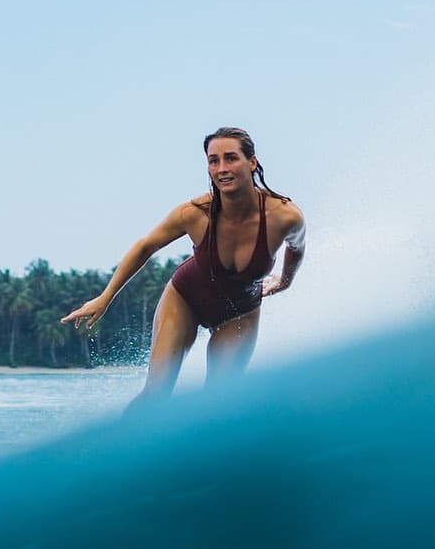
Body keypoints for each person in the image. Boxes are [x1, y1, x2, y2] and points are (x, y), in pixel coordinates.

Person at [61, 127, 306, 400]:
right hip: (186, 299)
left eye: (231, 158)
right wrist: (105, 297)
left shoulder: (284, 216)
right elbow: (146, 245)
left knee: (219, 399)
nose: (222, 168)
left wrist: (284, 281)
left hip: (241, 312)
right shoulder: (195, 213)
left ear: (252, 161)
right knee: (156, 393)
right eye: (214, 161)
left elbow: (297, 247)